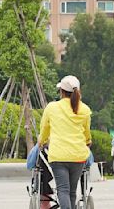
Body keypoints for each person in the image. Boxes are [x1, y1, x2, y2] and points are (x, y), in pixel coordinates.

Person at [38, 75, 92, 209]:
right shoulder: (84, 109)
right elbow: (86, 133)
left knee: (63, 190)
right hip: (78, 156)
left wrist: (41, 142)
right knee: (72, 191)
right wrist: (88, 141)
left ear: (61, 91)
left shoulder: (52, 107)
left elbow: (44, 129)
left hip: (58, 155)